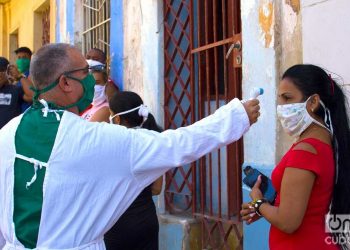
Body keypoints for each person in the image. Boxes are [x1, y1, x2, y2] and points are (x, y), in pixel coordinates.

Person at [0, 43, 260, 249]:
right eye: (85, 72)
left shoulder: (6, 135)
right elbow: (176, 144)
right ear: (65, 83)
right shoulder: (93, 139)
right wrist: (235, 116)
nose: (93, 80)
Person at [240, 64, 350, 250]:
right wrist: (267, 208)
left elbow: (288, 222)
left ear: (313, 102)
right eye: (279, 99)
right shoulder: (324, 145)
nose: (281, 107)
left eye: (288, 98)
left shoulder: (305, 151)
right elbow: (308, 207)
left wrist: (258, 202)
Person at [105, 91, 163, 249]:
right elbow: (157, 189)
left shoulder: (111, 143)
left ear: (116, 118)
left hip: (117, 222)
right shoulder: (151, 140)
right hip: (146, 220)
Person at [7, 46, 34, 112]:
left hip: (28, 113)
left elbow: (33, 95)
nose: (21, 60)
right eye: (19, 58)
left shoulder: (33, 74)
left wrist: (19, 76)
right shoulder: (16, 77)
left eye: (24, 57)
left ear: (30, 59)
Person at [0, 57, 23, 129]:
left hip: (8, 135)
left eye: (2, 70)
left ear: (8, 72)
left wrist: (19, 76)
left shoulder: (15, 89)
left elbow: (32, 96)